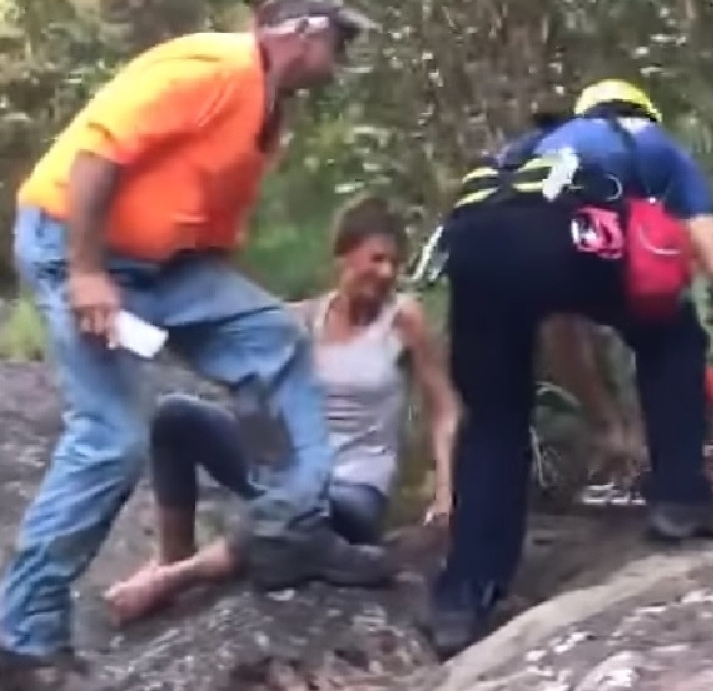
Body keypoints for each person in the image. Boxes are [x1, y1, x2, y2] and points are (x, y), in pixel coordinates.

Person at [0, 0, 382, 690]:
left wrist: (228, 312)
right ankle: (23, 638)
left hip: (166, 267)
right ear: (297, 30)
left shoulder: (269, 114)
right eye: (340, 37)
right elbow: (98, 153)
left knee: (272, 339)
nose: (344, 54)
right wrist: (87, 274)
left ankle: (290, 530)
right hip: (73, 245)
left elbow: (203, 226)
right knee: (111, 438)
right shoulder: (212, 69)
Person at [420, 79, 713, 658]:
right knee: (672, 335)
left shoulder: (530, 150)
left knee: (494, 420)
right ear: (642, 113)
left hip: (473, 242)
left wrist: (606, 421)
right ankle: (680, 499)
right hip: (562, 241)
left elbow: (560, 327)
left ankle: (463, 599)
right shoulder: (655, 146)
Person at [101, 195, 460, 625]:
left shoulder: (403, 319)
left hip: (354, 493)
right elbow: (229, 355)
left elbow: (444, 408)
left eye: (394, 264)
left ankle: (178, 578)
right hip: (294, 472)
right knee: (175, 416)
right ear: (343, 256)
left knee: (289, 515)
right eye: (376, 259)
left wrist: (444, 490)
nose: (386, 273)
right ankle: (173, 552)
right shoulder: (301, 319)